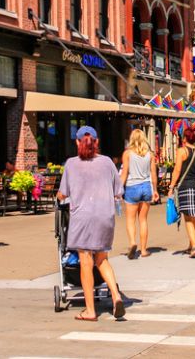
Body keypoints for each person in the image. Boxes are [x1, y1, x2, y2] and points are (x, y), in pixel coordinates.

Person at [56, 126, 125, 322]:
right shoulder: (107, 162)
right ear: (97, 142)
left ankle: (90, 310)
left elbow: (64, 193)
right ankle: (116, 295)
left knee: (86, 262)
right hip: (105, 216)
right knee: (102, 259)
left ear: (77, 142)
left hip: (83, 217)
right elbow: (118, 191)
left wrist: (59, 196)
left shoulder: (71, 164)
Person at [168, 124, 195, 258]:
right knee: (194, 217)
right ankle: (191, 244)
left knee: (188, 217)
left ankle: (194, 247)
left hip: (186, 186)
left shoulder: (182, 151)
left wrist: (171, 187)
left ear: (185, 139)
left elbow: (176, 171)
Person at [120, 129, 158, 259]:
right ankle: (143, 250)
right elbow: (153, 174)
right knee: (143, 220)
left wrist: (118, 189)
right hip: (146, 187)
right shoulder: (150, 154)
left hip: (132, 187)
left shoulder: (127, 154)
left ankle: (132, 242)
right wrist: (155, 190)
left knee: (130, 220)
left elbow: (124, 173)